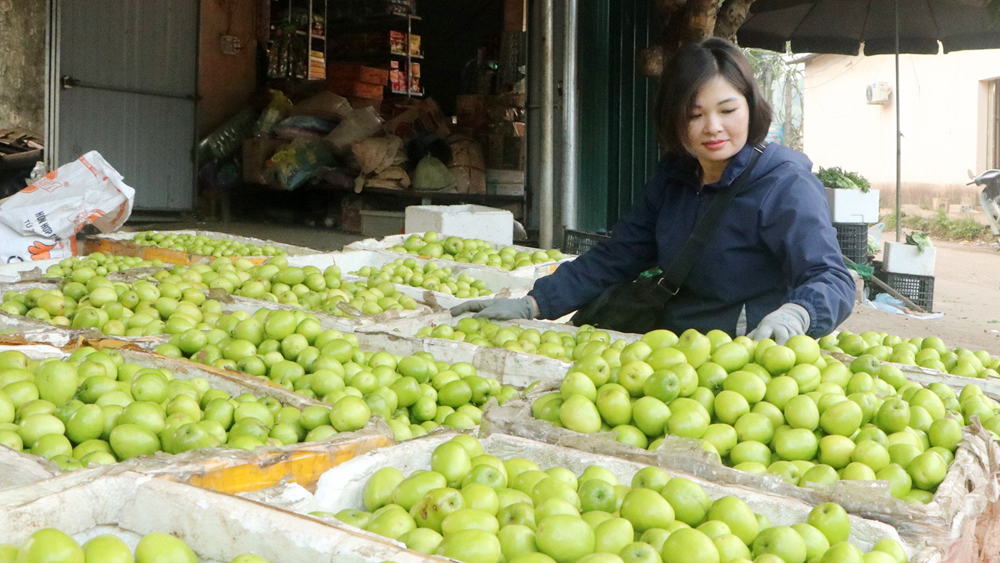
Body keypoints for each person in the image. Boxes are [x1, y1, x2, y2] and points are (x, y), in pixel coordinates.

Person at [451, 38, 855, 344]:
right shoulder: (676, 175)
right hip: (667, 353)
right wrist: (534, 303)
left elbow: (830, 276)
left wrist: (797, 315)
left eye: (727, 110)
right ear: (674, 121)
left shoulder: (785, 184)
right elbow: (617, 256)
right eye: (694, 115)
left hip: (743, 366)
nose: (713, 127)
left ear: (751, 107)